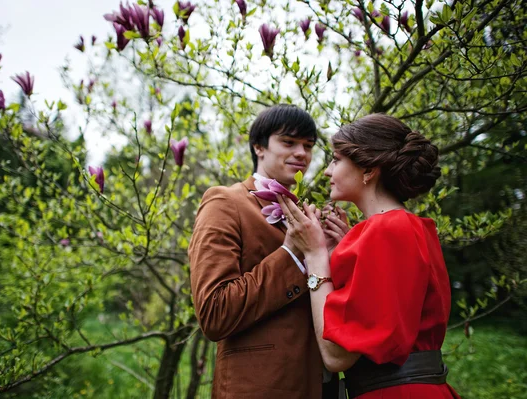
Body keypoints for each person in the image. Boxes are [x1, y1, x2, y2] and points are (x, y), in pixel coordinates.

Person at [278, 114, 461, 399]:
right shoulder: (406, 227)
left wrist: (315, 255)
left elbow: (336, 356)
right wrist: (349, 254)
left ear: (368, 170)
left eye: (336, 160)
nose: (327, 171)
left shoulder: (385, 229)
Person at [189, 104, 341, 398]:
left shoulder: (312, 216)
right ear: (259, 146)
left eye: (308, 146)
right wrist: (293, 255)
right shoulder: (225, 203)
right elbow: (214, 313)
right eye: (288, 142)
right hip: (259, 387)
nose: (302, 153)